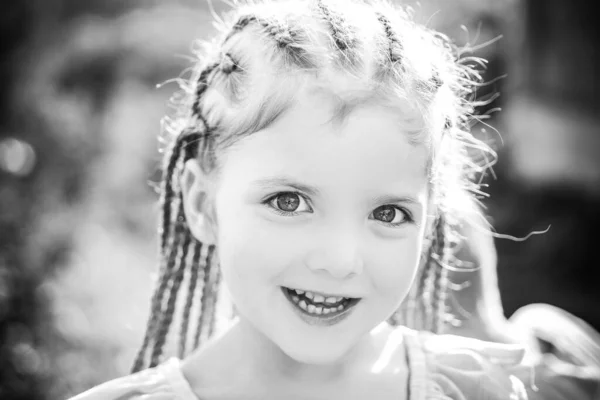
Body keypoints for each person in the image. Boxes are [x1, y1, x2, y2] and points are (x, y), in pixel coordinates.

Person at [68, 0, 600, 398]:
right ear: (203, 204)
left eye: (388, 212)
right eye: (288, 202)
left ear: (432, 219)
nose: (342, 260)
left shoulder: (488, 390)